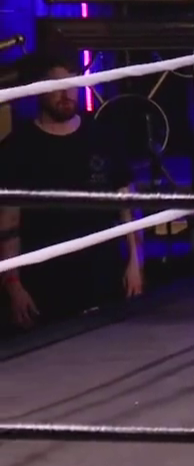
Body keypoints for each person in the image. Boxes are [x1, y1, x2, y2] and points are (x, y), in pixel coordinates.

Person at [1, 64, 143, 332]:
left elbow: (128, 204)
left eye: (71, 84)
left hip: (104, 278)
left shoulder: (103, 135)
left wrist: (136, 262)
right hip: (46, 286)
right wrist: (13, 285)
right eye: (57, 85)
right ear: (39, 88)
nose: (66, 93)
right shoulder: (18, 148)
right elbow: (8, 223)